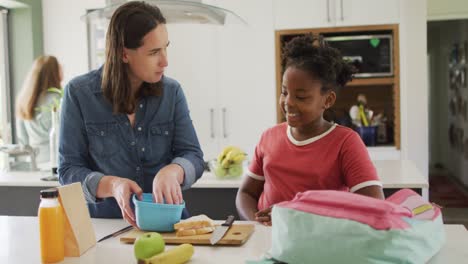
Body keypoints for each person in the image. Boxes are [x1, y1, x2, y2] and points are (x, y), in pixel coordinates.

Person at [58, 1, 204, 227]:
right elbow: (68, 172)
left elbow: (193, 156)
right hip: (106, 228)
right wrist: (113, 185)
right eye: (154, 52)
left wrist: (174, 170)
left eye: (166, 47)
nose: (165, 61)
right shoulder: (78, 94)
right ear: (124, 54)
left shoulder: (172, 92)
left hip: (169, 225)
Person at [236, 35, 385, 225]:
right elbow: (246, 193)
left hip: (319, 245)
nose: (288, 102)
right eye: (284, 92)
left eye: (301, 97)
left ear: (327, 100)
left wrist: (295, 216)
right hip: (267, 242)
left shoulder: (345, 142)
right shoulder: (269, 137)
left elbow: (374, 207)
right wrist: (256, 225)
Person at [16, 55, 63, 163]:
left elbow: (22, 140)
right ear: (54, 72)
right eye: (59, 67)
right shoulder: (58, 99)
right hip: (55, 162)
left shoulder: (24, 99)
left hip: (33, 161)